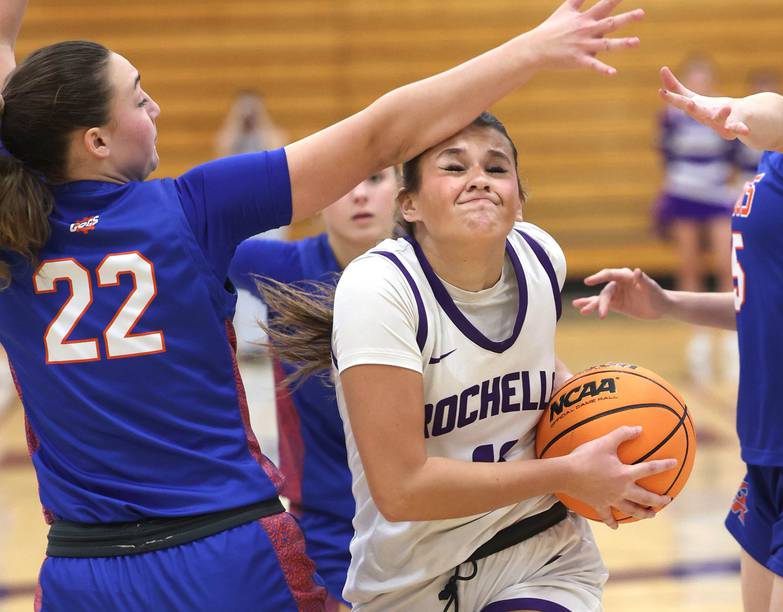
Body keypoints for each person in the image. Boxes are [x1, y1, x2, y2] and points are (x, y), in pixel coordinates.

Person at [0, 0, 648, 609]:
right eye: (139, 99)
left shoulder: (9, 232)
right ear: (97, 142)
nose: (157, 107)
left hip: (81, 569)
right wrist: (532, 49)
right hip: (226, 553)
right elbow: (381, 134)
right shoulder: (189, 209)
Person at [261, 111, 677, 611]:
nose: (479, 178)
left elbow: (534, 367)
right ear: (408, 203)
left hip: (540, 554)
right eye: (454, 168)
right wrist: (567, 472)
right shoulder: (379, 290)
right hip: (412, 577)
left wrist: (603, 438)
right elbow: (401, 490)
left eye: (497, 168)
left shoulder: (542, 258)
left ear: (519, 200)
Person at [573, 65, 783, 612]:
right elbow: (762, 305)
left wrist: (742, 110)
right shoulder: (775, 166)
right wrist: (670, 304)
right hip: (770, 442)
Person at [229, 166, 399, 610]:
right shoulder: (282, 268)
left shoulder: (433, 268)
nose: (360, 195)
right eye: (344, 183)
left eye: (376, 179)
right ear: (320, 198)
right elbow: (189, 237)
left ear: (403, 192)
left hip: (428, 514)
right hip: (329, 528)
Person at [652, 55, 739, 382]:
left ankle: (731, 340)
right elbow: (666, 154)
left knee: (724, 264)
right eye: (694, 78)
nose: (700, 84)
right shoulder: (670, 116)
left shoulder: (722, 110)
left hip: (717, 195)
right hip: (683, 194)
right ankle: (698, 341)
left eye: (705, 78)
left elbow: (734, 150)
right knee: (689, 265)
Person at [216, 91, 290, 360]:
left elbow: (278, 147)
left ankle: (267, 337)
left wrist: (261, 119)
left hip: (269, 216)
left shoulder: (269, 134)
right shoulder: (234, 140)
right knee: (241, 276)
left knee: (268, 276)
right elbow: (222, 149)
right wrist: (237, 118)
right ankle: (247, 342)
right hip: (241, 214)